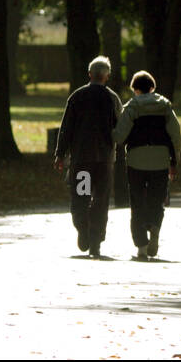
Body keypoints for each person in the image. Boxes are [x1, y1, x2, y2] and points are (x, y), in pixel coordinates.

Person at [53, 55, 122, 258]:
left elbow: (66, 128)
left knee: (80, 197)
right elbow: (121, 127)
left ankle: (83, 228)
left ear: (90, 74)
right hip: (104, 160)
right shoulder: (112, 98)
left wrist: (60, 154)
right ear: (107, 76)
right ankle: (96, 241)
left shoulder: (76, 97)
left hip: (82, 159)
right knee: (101, 200)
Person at [112, 70, 181, 261]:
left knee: (137, 201)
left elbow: (120, 136)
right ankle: (155, 228)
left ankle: (141, 247)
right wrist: (174, 161)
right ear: (153, 87)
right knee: (156, 198)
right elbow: (175, 134)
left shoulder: (132, 107)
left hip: (136, 159)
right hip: (160, 159)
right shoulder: (165, 106)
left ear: (135, 89)